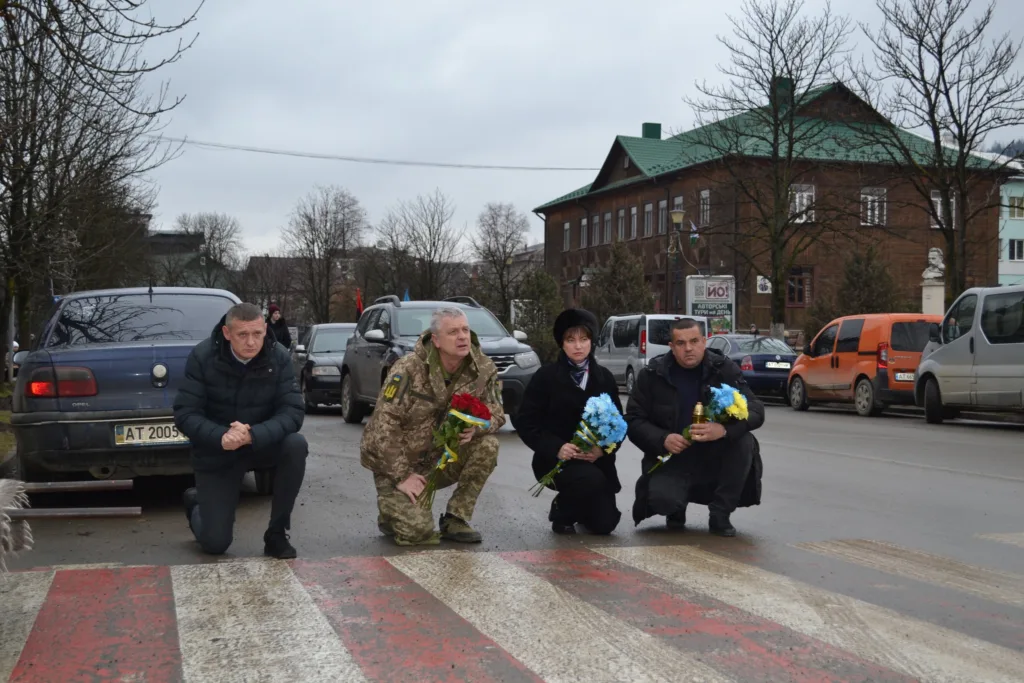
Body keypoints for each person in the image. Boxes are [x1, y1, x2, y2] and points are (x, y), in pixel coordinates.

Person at [360, 307, 505, 546]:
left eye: (465, 330)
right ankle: (391, 513)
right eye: (453, 332)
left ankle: (456, 518)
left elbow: (498, 412)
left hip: (440, 458)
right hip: (397, 463)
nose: (462, 337)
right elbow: (383, 427)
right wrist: (401, 475)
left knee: (488, 445)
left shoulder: (483, 369)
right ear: (436, 340)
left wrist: (477, 427)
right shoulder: (408, 369)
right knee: (417, 533)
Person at [173, 302, 308, 558]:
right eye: (242, 335)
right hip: (218, 450)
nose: (251, 342)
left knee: (296, 444)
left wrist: (252, 435)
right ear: (227, 333)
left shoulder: (278, 356)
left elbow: (292, 412)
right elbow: (185, 413)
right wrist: (221, 436)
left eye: (257, 334)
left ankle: (276, 534)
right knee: (215, 544)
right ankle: (196, 505)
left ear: (265, 329)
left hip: (260, 444)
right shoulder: (203, 357)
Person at [625, 317, 764, 536]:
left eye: (694, 341)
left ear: (705, 341)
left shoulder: (723, 369)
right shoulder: (652, 375)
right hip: (672, 457)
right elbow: (633, 420)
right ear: (671, 346)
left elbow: (756, 410)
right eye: (680, 343)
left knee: (744, 440)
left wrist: (724, 430)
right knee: (664, 501)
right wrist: (663, 439)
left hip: (713, 456)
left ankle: (720, 514)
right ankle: (676, 508)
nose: (688, 348)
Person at [514, 308, 623, 535]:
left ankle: (581, 507)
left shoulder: (604, 378)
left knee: (605, 525)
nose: (578, 346)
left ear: (592, 341)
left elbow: (619, 425)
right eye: (571, 339)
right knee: (588, 481)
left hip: (596, 461)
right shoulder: (545, 377)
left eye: (584, 339)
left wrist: (602, 450)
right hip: (556, 461)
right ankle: (562, 510)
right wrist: (556, 447)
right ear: (561, 343)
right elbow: (526, 422)